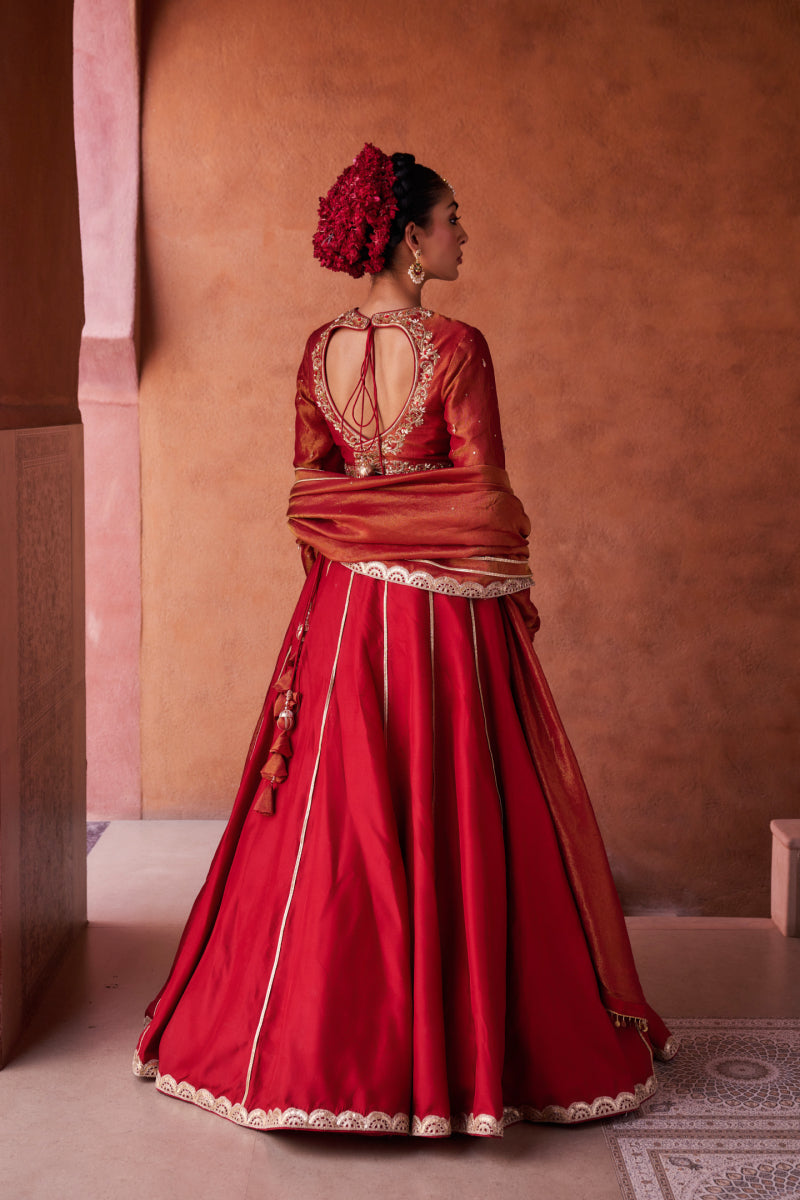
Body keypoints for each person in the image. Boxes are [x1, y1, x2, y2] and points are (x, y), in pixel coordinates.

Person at [133, 143, 677, 1138]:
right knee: (451, 810)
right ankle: (448, 1063)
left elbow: (313, 495)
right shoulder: (457, 347)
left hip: (342, 621)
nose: (463, 233)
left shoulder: (315, 352)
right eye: (452, 218)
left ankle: (308, 1054)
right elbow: (482, 498)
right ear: (412, 242)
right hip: (440, 627)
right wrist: (475, 550)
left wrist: (368, 530)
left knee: (335, 829)